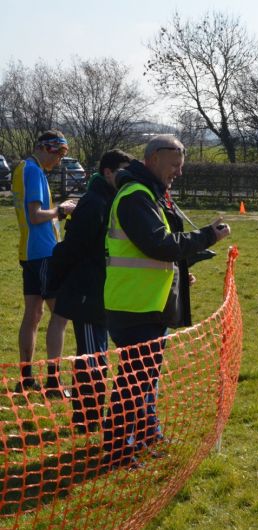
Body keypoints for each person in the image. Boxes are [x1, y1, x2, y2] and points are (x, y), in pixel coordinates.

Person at [102, 135, 231, 470]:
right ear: (154, 159)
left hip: (148, 303)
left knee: (145, 380)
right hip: (133, 305)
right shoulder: (136, 196)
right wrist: (207, 236)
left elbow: (159, 251)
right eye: (174, 165)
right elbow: (159, 245)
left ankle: (146, 435)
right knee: (133, 384)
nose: (179, 172)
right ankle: (117, 451)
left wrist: (182, 270)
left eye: (181, 165)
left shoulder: (150, 195)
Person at [48, 149, 134, 433]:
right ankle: (87, 418)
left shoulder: (112, 199)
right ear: (108, 172)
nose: (126, 177)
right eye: (121, 171)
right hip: (87, 292)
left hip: (104, 291)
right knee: (91, 357)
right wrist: (58, 278)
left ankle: (92, 415)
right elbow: (73, 247)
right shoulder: (94, 202)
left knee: (98, 354)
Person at [11, 130, 77, 397]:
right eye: (58, 154)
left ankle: (26, 378)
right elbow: (36, 215)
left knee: (33, 315)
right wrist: (62, 210)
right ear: (45, 148)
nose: (59, 160)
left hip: (29, 252)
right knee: (59, 315)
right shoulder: (35, 172)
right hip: (43, 253)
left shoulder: (22, 168)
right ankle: (53, 382)